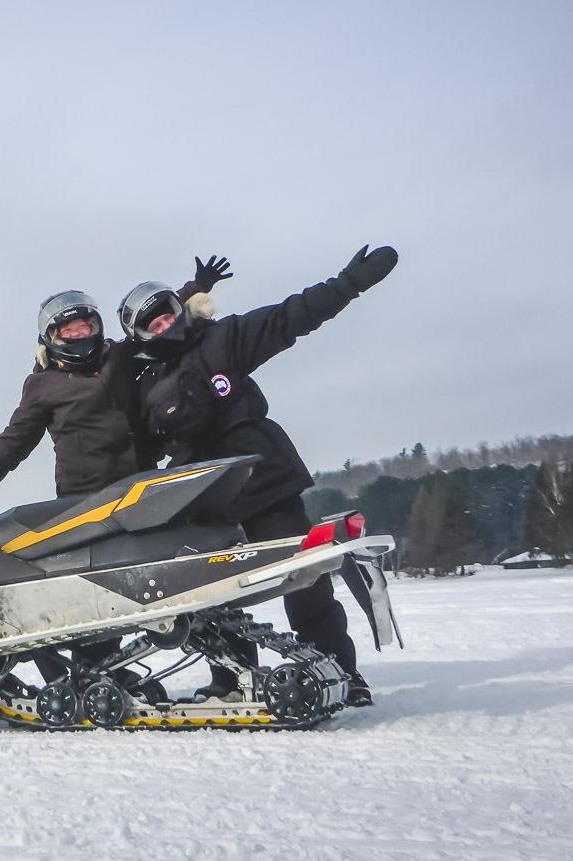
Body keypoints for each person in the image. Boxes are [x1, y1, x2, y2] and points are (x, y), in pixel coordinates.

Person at [121, 245, 398, 706]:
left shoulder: (223, 339)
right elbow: (136, 449)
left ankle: (339, 672)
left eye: (168, 314)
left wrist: (349, 283)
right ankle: (232, 679)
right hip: (200, 500)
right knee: (210, 594)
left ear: (179, 310)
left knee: (306, 580)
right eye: (153, 324)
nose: (165, 325)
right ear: (141, 335)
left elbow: (289, 317)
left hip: (264, 481)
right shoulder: (145, 386)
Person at [0, 256, 233, 506]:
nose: (81, 334)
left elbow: (148, 320)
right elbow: (12, 443)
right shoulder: (43, 385)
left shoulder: (117, 355)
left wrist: (195, 288)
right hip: (83, 500)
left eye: (86, 326)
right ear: (53, 337)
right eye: (70, 330)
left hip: (143, 486)